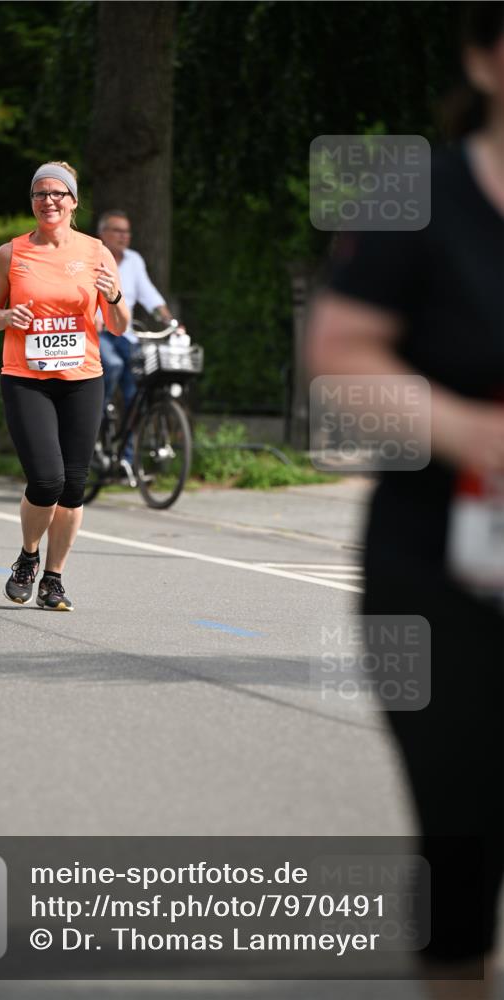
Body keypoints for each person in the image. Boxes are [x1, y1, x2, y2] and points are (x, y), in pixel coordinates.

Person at [306, 5, 504, 997]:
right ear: (482, 58)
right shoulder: (414, 195)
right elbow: (339, 358)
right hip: (437, 572)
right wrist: (470, 432)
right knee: (462, 832)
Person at [0, 161, 130, 610]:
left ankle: (54, 578)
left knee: (74, 486)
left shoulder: (97, 252)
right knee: (46, 480)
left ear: (73, 202)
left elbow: (119, 327)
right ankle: (27, 557)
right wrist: (7, 317)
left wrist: (115, 295)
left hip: (83, 378)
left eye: (57, 194)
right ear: (32, 202)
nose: (49, 201)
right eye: (40, 194)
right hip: (27, 379)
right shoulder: (11, 253)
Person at [96, 210, 173, 463]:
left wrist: (169, 320)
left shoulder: (134, 260)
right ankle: (95, 414)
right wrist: (94, 316)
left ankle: (126, 458)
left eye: (126, 231)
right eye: (117, 231)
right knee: (113, 365)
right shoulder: (92, 257)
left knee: (138, 390)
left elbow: (148, 293)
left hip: (125, 334)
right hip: (99, 332)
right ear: (103, 233)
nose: (123, 236)